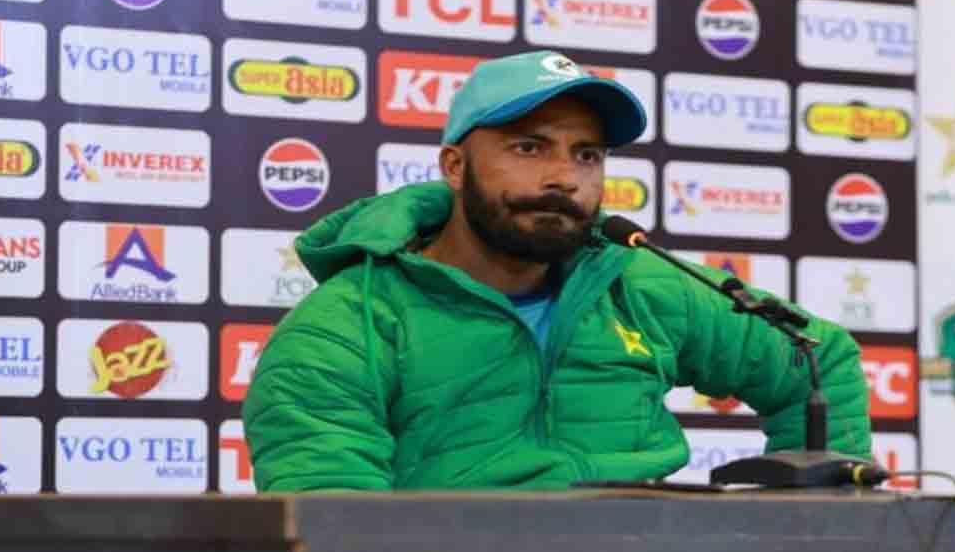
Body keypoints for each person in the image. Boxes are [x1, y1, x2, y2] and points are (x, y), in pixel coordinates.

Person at [243, 50, 871, 491]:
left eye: (587, 155)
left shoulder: (641, 284)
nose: (564, 177)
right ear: (455, 166)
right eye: (529, 147)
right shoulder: (341, 330)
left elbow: (817, 362)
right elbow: (336, 536)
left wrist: (804, 535)